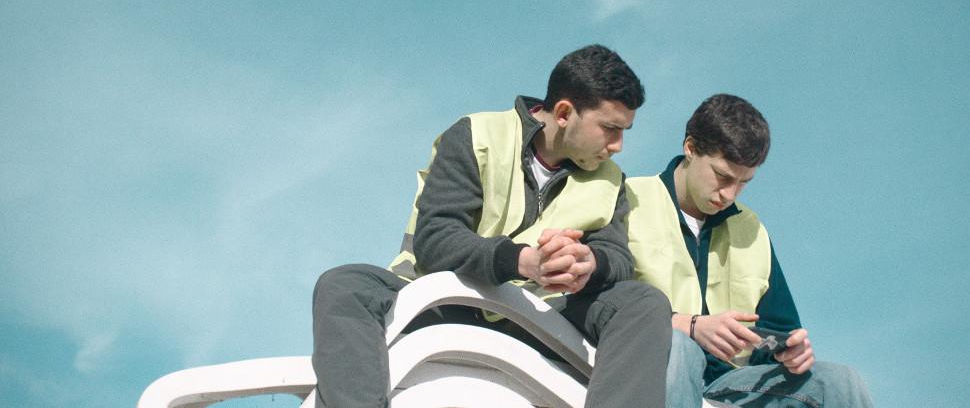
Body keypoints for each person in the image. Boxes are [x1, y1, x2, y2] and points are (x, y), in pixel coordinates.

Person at [312, 45, 672, 408]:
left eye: (625, 131)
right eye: (610, 129)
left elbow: (619, 260)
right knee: (346, 285)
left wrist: (589, 263)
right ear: (564, 112)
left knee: (643, 303)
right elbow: (436, 238)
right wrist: (524, 262)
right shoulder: (477, 135)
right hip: (444, 303)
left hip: (543, 319)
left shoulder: (611, 181)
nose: (618, 146)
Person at [625, 94, 874, 407]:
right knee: (679, 347)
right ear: (690, 148)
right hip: (654, 363)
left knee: (840, 383)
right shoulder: (630, 200)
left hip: (729, 386)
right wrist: (690, 326)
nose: (729, 194)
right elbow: (604, 301)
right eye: (723, 176)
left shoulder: (752, 230)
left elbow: (780, 332)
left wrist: (791, 351)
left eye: (743, 183)